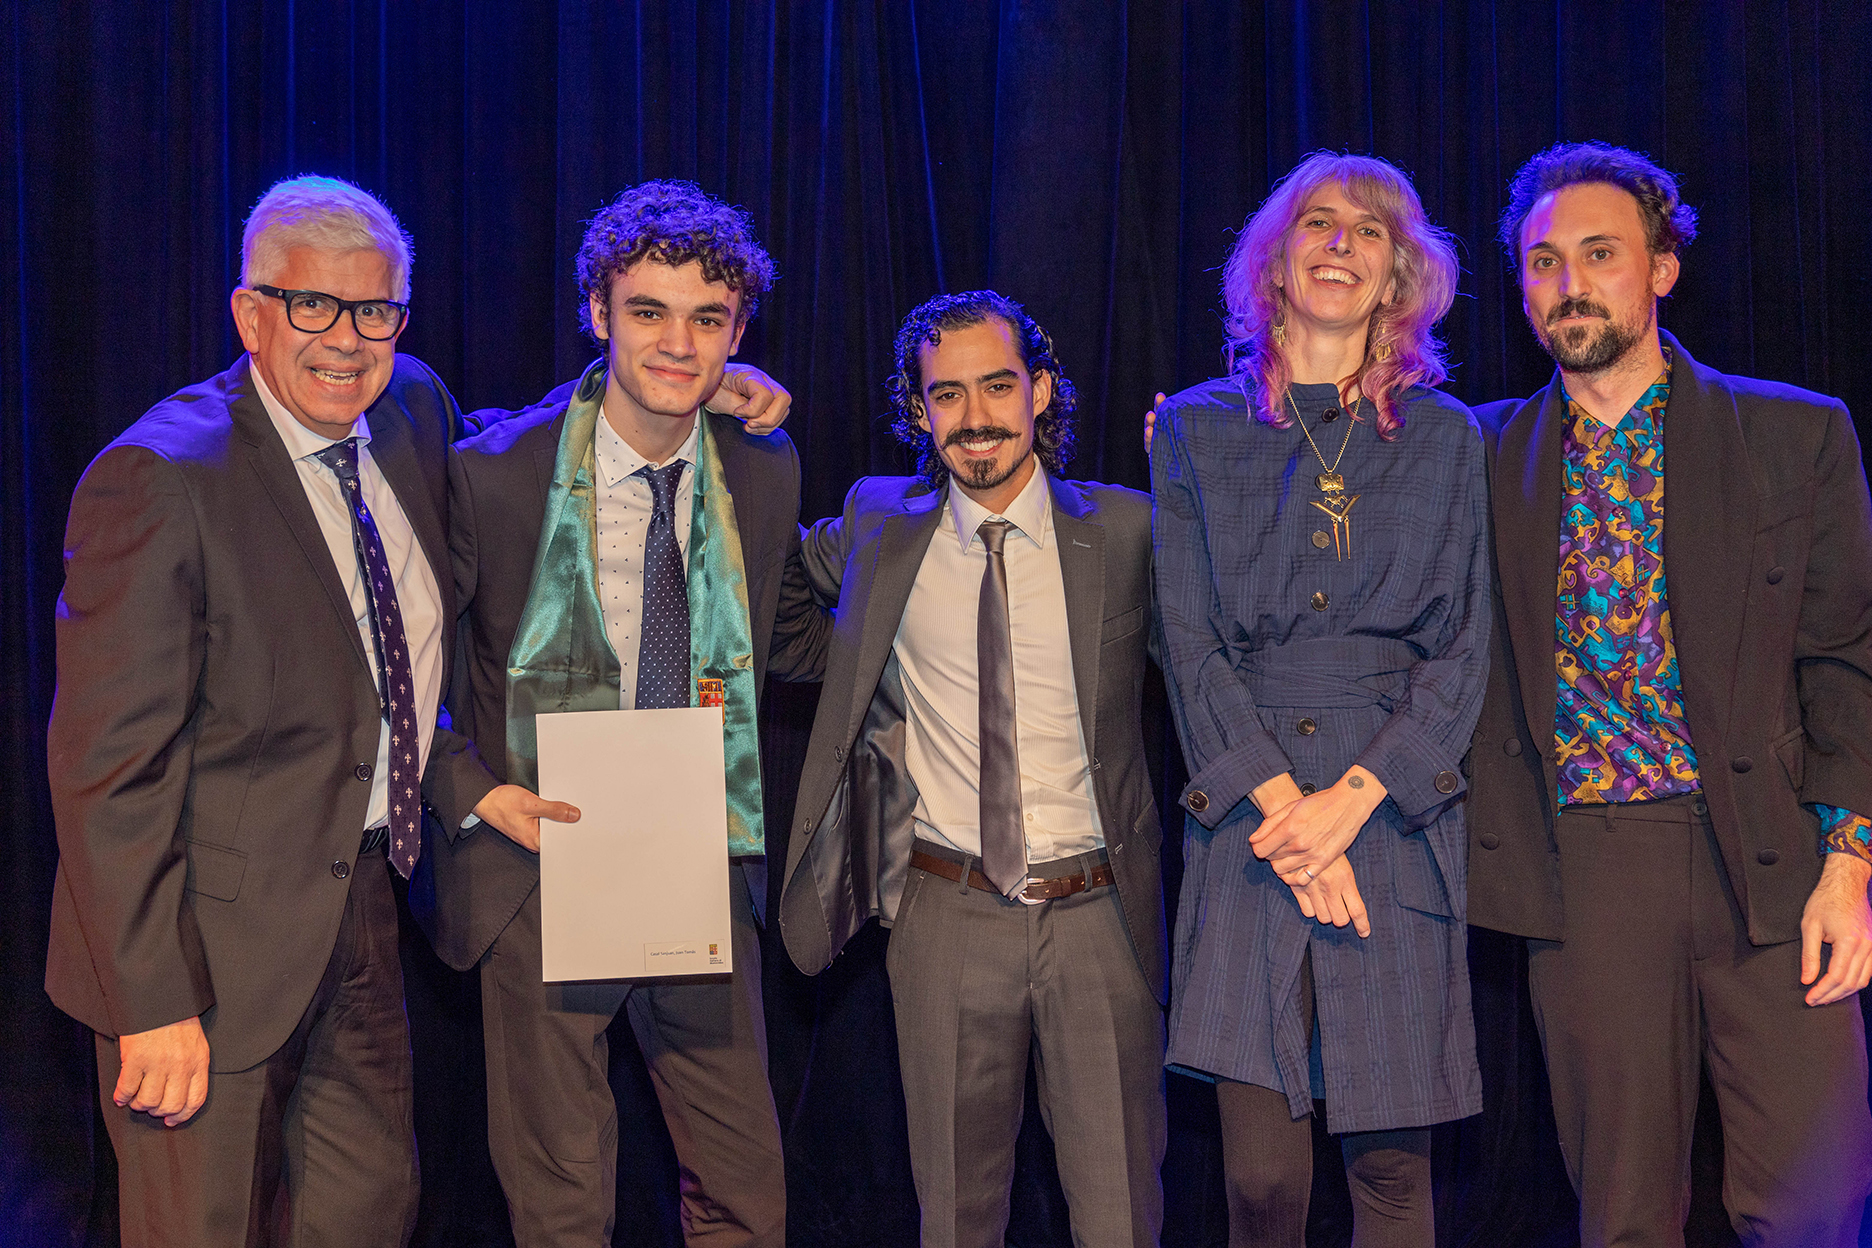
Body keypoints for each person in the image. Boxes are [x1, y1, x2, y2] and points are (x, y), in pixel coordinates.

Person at [43, 174, 575, 1247]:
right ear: (251, 314)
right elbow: (107, 773)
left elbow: (382, 664)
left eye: (374, 309)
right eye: (312, 305)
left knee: (368, 1216)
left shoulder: (411, 407)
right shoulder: (159, 478)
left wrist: (691, 390)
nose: (346, 339)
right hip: (203, 950)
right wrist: (153, 1002)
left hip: (364, 910)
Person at [1467, 141, 1872, 1247]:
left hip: (1773, 857)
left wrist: (1850, 865)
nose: (1570, 283)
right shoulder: (1478, 454)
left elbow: (1846, 657)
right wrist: (1207, 429)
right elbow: (1346, 476)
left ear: (1661, 268)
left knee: (1818, 1205)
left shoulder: (1794, 432)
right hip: (1587, 870)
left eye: (1600, 254)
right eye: (1544, 261)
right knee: (1625, 1217)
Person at [420, 179, 826, 1248]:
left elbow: (790, 635)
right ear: (597, 312)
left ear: (738, 332)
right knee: (559, 1203)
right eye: (648, 311)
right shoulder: (493, 473)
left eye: (708, 319)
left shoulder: (763, 467)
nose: (678, 344)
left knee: (745, 1190)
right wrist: (474, 792)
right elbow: (411, 669)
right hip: (541, 864)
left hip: (700, 858)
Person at [1149, 153, 1489, 1247]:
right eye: (1318, 224)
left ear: (1400, 276)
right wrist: (1288, 813)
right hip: (1251, 821)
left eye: (1369, 230)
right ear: (1275, 263)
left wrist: (1348, 802)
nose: (1341, 244)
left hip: (1392, 814)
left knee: (1391, 1170)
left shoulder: (1449, 438)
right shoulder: (1192, 429)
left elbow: (1465, 647)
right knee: (1259, 1180)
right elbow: (1186, 642)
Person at [778, 290, 1167, 1248]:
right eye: (946, 394)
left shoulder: (1129, 530)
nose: (975, 416)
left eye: (998, 386)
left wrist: (1210, 465)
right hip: (942, 914)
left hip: (1100, 916)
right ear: (919, 411)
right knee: (954, 1217)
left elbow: (1228, 644)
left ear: (1041, 391)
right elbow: (768, 601)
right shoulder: (879, 524)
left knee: (1120, 1217)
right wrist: (730, 418)